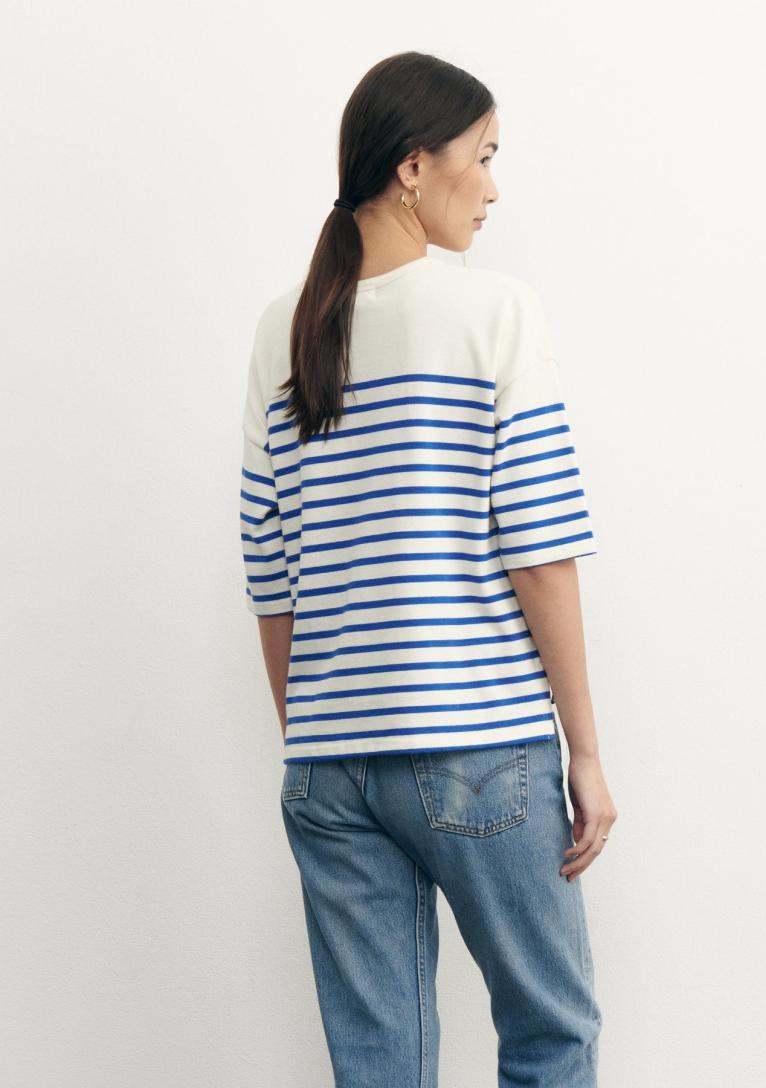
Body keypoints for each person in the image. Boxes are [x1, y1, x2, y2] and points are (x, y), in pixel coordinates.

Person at [239, 50, 617, 1088]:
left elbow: (270, 568)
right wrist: (585, 752)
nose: (493, 188)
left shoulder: (282, 329)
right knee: (551, 1031)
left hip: (329, 763)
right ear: (413, 167)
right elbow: (539, 548)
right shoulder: (494, 311)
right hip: (478, 742)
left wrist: (314, 734)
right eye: (483, 157)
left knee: (380, 1065)